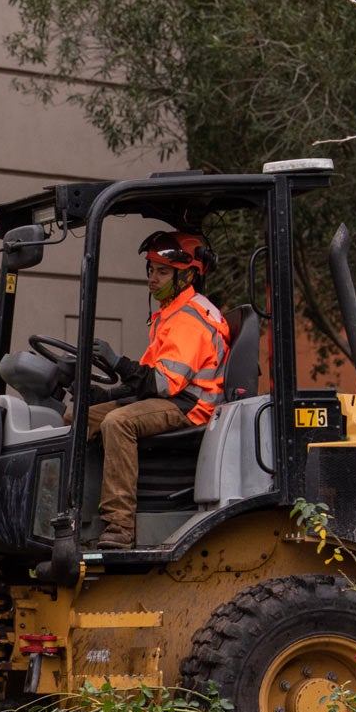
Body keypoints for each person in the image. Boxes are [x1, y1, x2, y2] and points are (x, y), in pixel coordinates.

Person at [85, 231, 230, 549]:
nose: (152, 278)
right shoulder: (171, 312)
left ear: (187, 274)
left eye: (162, 271)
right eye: (150, 269)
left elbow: (162, 385)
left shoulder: (191, 318)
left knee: (118, 422)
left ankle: (119, 526)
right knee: (82, 417)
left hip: (191, 406)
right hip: (171, 398)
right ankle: (75, 513)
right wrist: (107, 395)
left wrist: (117, 361)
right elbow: (150, 380)